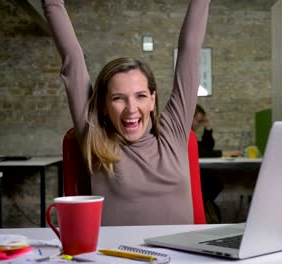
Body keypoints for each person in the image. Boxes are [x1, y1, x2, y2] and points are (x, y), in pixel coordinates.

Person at [42, 0, 210, 226]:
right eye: (118, 98)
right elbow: (72, 58)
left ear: (152, 100)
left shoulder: (174, 132)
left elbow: (190, 46)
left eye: (140, 96)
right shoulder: (96, 139)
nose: (131, 109)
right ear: (103, 105)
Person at [191, 104, 242, 223]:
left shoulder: (190, 133)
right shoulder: (184, 133)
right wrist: (224, 153)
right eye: (198, 121)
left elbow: (206, 147)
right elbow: (201, 152)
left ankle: (207, 209)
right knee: (214, 183)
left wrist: (207, 128)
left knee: (214, 182)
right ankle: (207, 211)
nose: (199, 124)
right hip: (187, 177)